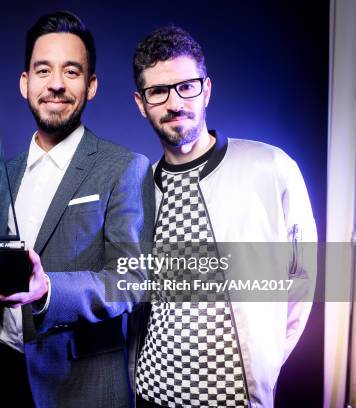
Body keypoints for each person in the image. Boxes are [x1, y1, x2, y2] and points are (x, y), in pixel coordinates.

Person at [128, 26, 317, 408]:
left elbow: (303, 279)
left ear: (207, 89)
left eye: (186, 86)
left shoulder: (271, 167)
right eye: (158, 92)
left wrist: (264, 363)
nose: (174, 102)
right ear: (141, 102)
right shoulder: (137, 188)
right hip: (151, 393)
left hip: (235, 399)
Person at [0, 11, 155, 408]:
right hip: (4, 377)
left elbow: (132, 280)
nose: (55, 84)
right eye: (43, 71)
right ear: (25, 83)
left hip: (81, 388)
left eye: (71, 72)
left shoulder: (124, 167)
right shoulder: (4, 174)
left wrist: (48, 291)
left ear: (91, 86)